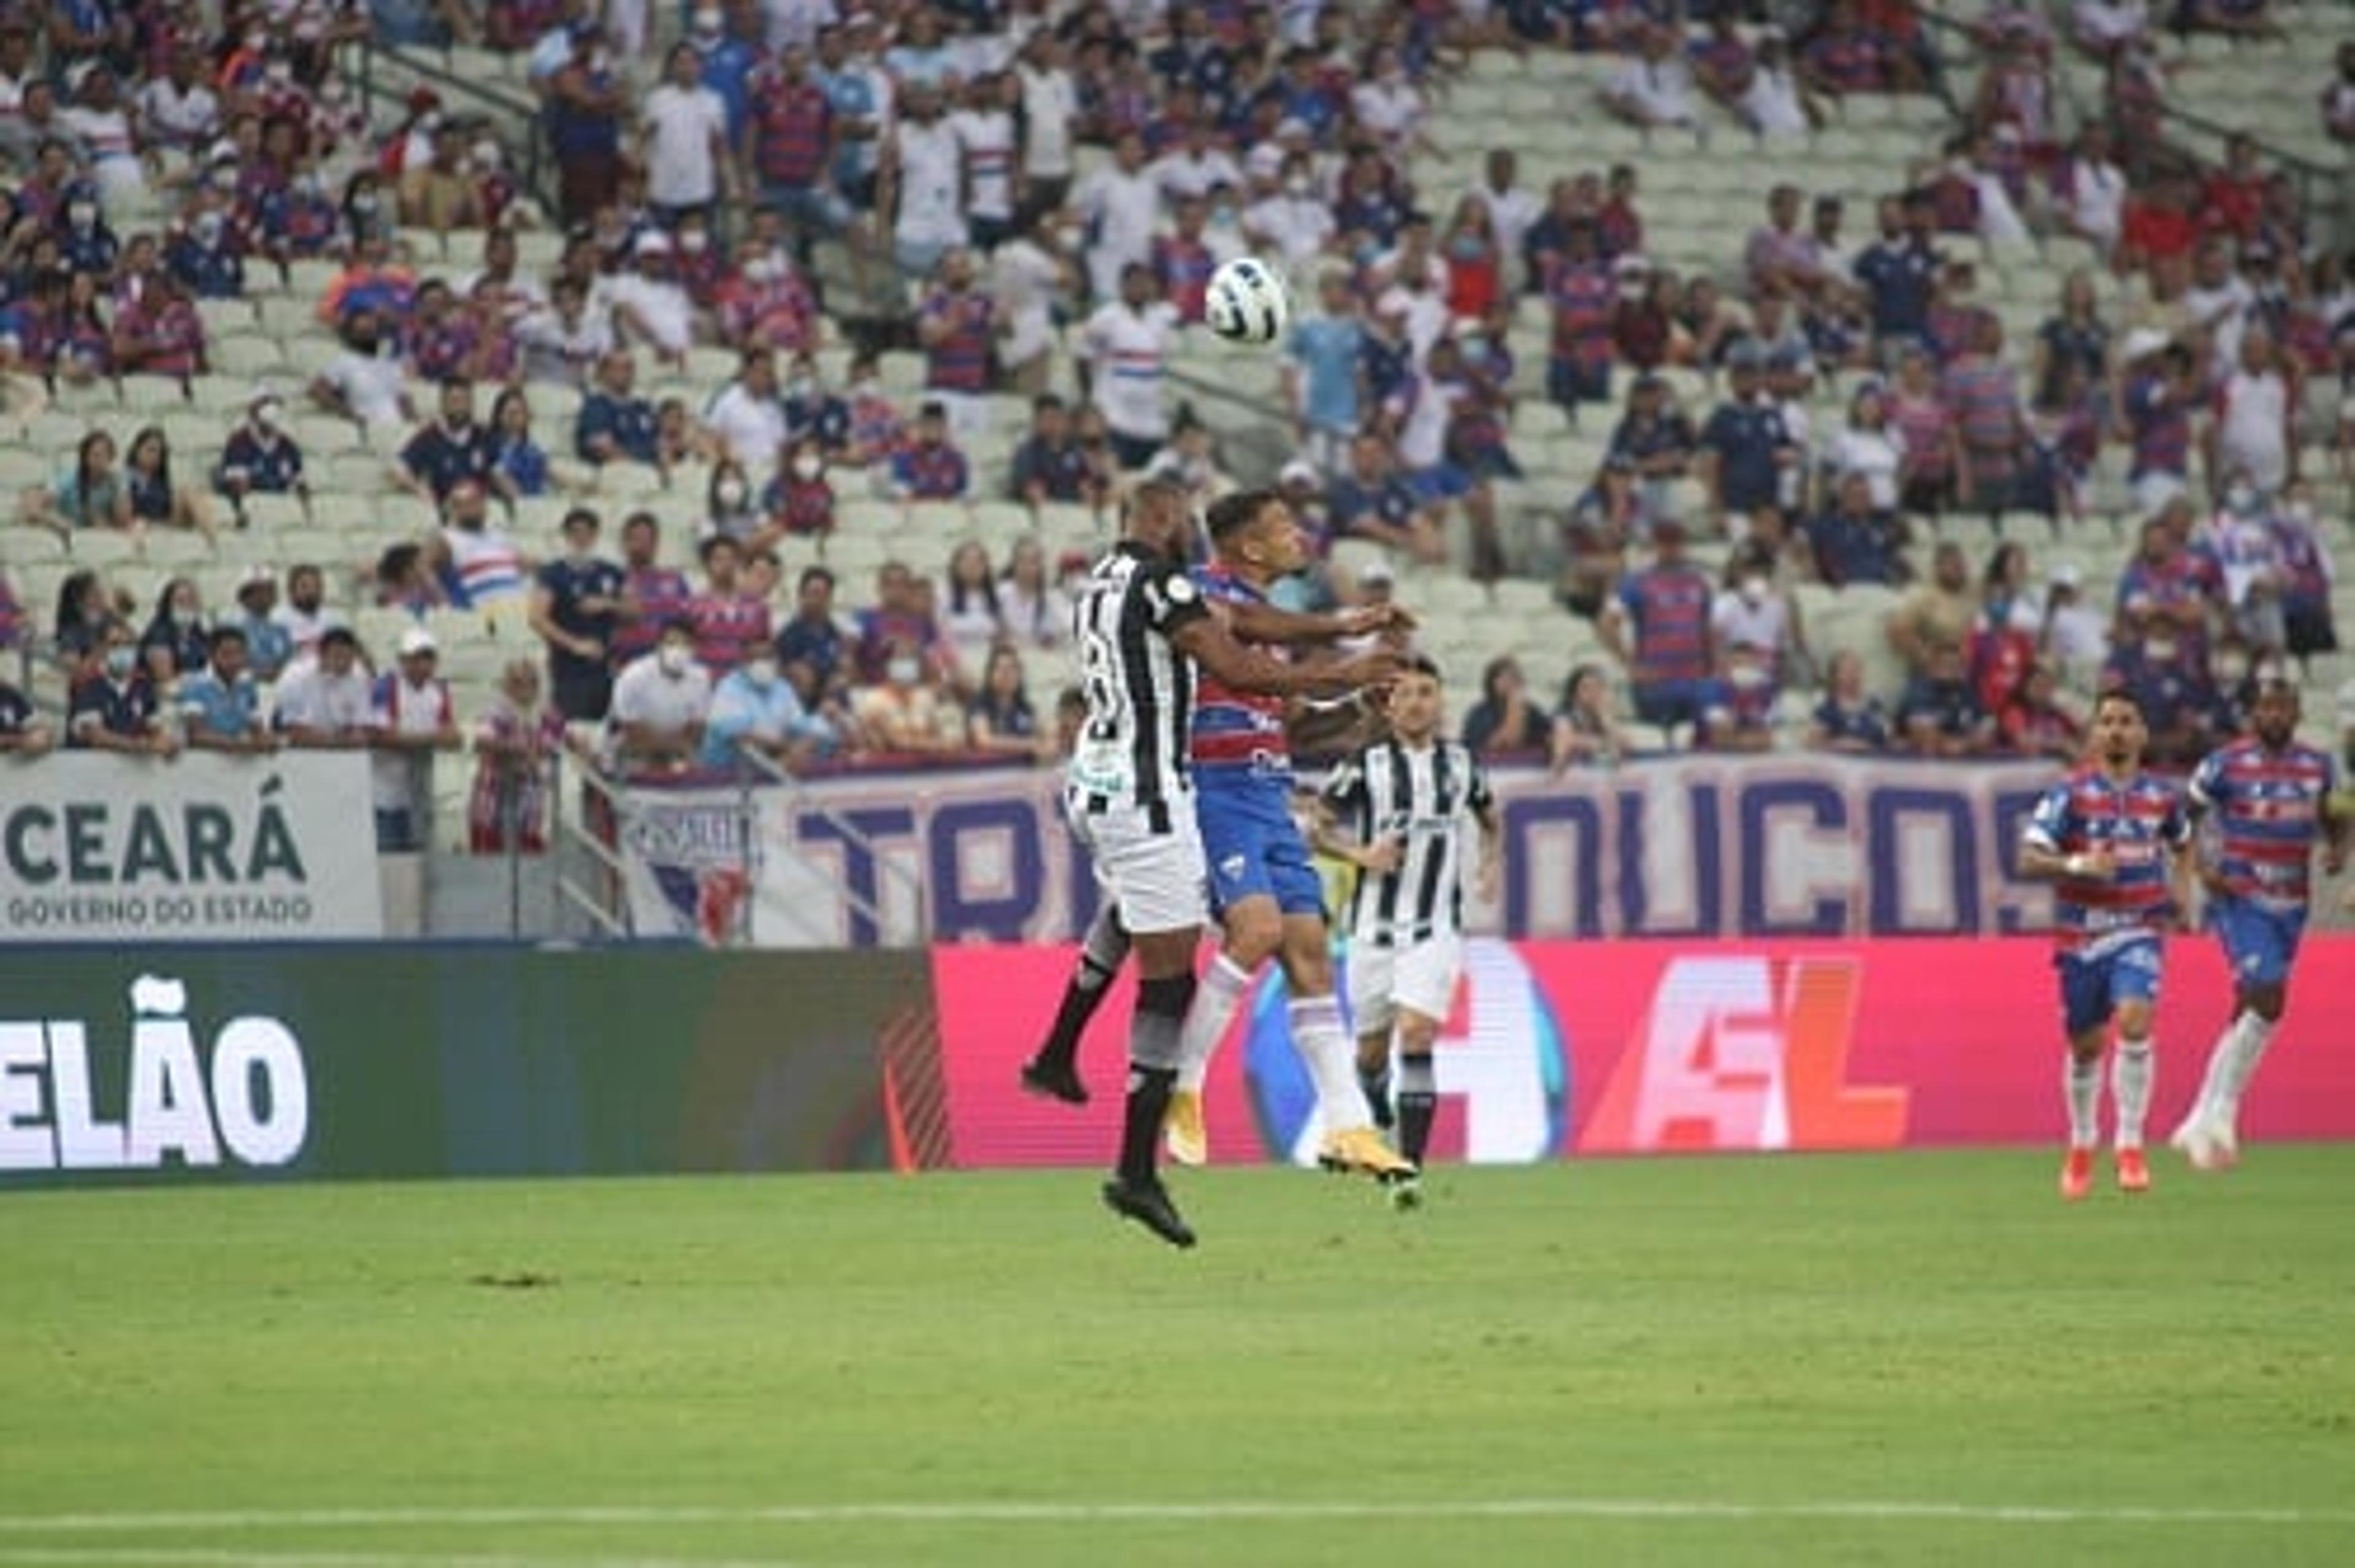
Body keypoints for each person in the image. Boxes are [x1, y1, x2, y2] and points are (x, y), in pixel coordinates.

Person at [1017, 482, 1400, 1249]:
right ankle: (1139, 1157)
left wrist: (1337, 628)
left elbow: (1244, 624)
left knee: (1143, 915)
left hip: (1100, 782)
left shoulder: (1104, 580)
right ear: (1162, 521)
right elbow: (1242, 661)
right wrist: (1340, 672)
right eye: (1182, 517)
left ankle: (1059, 1054)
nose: (1192, 527)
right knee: (1170, 980)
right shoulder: (1167, 584)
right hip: (1153, 791)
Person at [1313, 656, 1498, 1206]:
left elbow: (1492, 819)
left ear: (1440, 701)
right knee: (1370, 1056)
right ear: (1389, 706)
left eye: (1427, 691)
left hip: (1435, 927)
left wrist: (1490, 864)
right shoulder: (1365, 765)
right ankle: (1378, 1104)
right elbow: (1315, 825)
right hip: (1371, 930)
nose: (1418, 702)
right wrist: (1359, 853)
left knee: (1416, 1034)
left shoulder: (1463, 765)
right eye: (1407, 693)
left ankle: (1408, 1168)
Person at [2020, 689, 2196, 1200]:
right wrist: (2077, 864)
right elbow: (2032, 858)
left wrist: (2182, 893)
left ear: (2141, 733)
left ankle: (2131, 1143)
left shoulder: (2162, 797)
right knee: (2085, 1046)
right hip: (2081, 935)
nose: (2116, 729)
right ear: (2095, 734)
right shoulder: (2070, 794)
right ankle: (2081, 1142)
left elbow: (2183, 843)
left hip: (2140, 927)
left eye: (2126, 720)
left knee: (2137, 1019)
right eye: (2107, 721)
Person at [2174, 680, 2346, 1169]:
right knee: (2268, 993)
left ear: (2295, 713)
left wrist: (2339, 847)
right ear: (2253, 713)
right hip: (2239, 897)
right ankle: (2225, 1112)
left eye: (2283, 706)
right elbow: (2185, 815)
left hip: (2291, 902)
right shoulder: (2226, 763)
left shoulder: (2317, 765)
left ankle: (2197, 1116)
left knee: (2251, 1004)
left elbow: (2336, 816)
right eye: (2266, 706)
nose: (2275, 714)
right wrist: (2201, 870)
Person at [529, 507, 629, 721]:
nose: (581, 538)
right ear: (566, 536)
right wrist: (574, 644)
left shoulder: (611, 571)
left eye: (587, 532)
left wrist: (609, 604)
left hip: (607, 668)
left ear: (595, 535)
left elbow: (636, 611)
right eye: (575, 532)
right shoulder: (554, 573)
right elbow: (537, 619)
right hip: (570, 671)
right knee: (575, 731)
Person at [369, 627, 462, 852]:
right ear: (403, 660)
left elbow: (454, 738)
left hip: (419, 791)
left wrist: (411, 739)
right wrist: (432, 738)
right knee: (388, 856)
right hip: (384, 790)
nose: (421, 665)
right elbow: (382, 737)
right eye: (414, 659)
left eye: (426, 658)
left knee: (420, 857)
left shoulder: (438, 690)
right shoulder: (386, 687)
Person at [608, 619, 714, 776]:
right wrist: (673, 749)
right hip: (633, 754)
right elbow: (632, 732)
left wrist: (678, 752)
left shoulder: (702, 677)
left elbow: (696, 730)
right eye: (671, 644)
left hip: (679, 754)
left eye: (686, 645)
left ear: (695, 649)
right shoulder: (633, 676)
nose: (678, 651)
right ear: (658, 647)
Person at [67, 621, 176, 757]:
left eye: (129, 645)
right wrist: (136, 745)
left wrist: (164, 742)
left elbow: (155, 726)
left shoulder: (143, 686)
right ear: (101, 649)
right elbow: (95, 735)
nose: (123, 651)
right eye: (115, 645)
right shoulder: (88, 684)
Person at [176, 627, 274, 752]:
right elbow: (197, 736)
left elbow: (257, 729)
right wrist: (238, 745)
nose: (235, 661)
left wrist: (266, 740)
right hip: (202, 761)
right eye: (227, 654)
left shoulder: (247, 686)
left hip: (237, 759)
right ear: (211, 655)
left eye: (239, 653)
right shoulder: (195, 685)